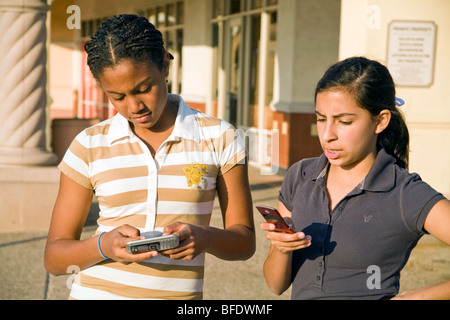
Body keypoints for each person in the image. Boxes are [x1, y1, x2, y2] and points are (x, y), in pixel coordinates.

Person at [44, 14, 255, 300]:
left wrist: (204, 238)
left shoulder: (220, 137)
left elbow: (244, 243)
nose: (134, 106)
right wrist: (103, 245)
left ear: (165, 66)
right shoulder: (89, 144)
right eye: (117, 96)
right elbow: (55, 259)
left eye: (144, 88)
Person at [261, 57, 450, 300]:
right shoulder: (299, 176)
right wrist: (281, 249)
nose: (327, 135)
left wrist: (411, 298)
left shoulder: (405, 193)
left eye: (344, 121)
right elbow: (276, 285)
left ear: (380, 120)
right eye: (321, 119)